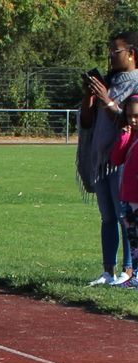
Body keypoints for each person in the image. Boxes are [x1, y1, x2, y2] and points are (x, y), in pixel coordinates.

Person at [79, 31, 138, 286]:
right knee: (107, 217)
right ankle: (107, 271)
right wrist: (90, 96)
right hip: (101, 160)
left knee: (125, 218)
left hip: (124, 159)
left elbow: (130, 120)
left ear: (132, 54)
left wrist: (106, 99)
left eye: (116, 51)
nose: (111, 56)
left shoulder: (135, 84)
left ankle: (129, 270)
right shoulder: (110, 83)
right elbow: (87, 121)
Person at [110, 93, 138, 288]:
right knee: (134, 239)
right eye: (129, 116)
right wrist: (124, 137)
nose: (133, 120)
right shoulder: (130, 135)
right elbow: (116, 158)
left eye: (136, 116)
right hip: (127, 196)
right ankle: (135, 274)